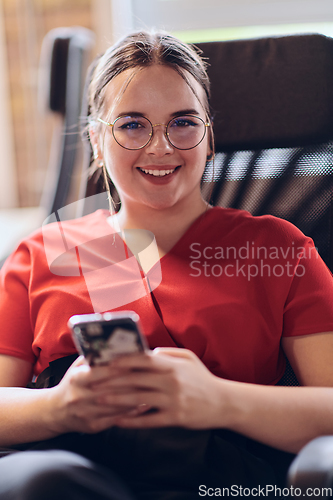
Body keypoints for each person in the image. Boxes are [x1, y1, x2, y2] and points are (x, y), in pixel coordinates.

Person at [0, 29, 332, 499]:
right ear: (97, 140)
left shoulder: (278, 248)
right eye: (132, 124)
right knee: (37, 483)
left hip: (221, 476)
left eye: (183, 122)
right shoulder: (40, 255)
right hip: (74, 471)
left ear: (209, 135)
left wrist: (220, 401)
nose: (161, 147)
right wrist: (57, 406)